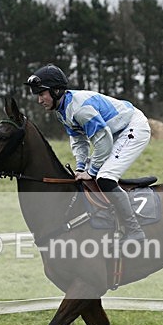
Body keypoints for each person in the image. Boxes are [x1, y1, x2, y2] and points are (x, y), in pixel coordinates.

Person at [24, 64, 150, 242]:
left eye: (41, 94)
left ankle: (134, 230)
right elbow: (79, 141)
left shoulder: (80, 109)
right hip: (115, 131)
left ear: (56, 91)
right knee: (89, 175)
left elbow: (103, 141)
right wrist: (81, 167)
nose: (39, 100)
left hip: (132, 128)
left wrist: (90, 171)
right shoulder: (62, 110)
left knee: (105, 177)